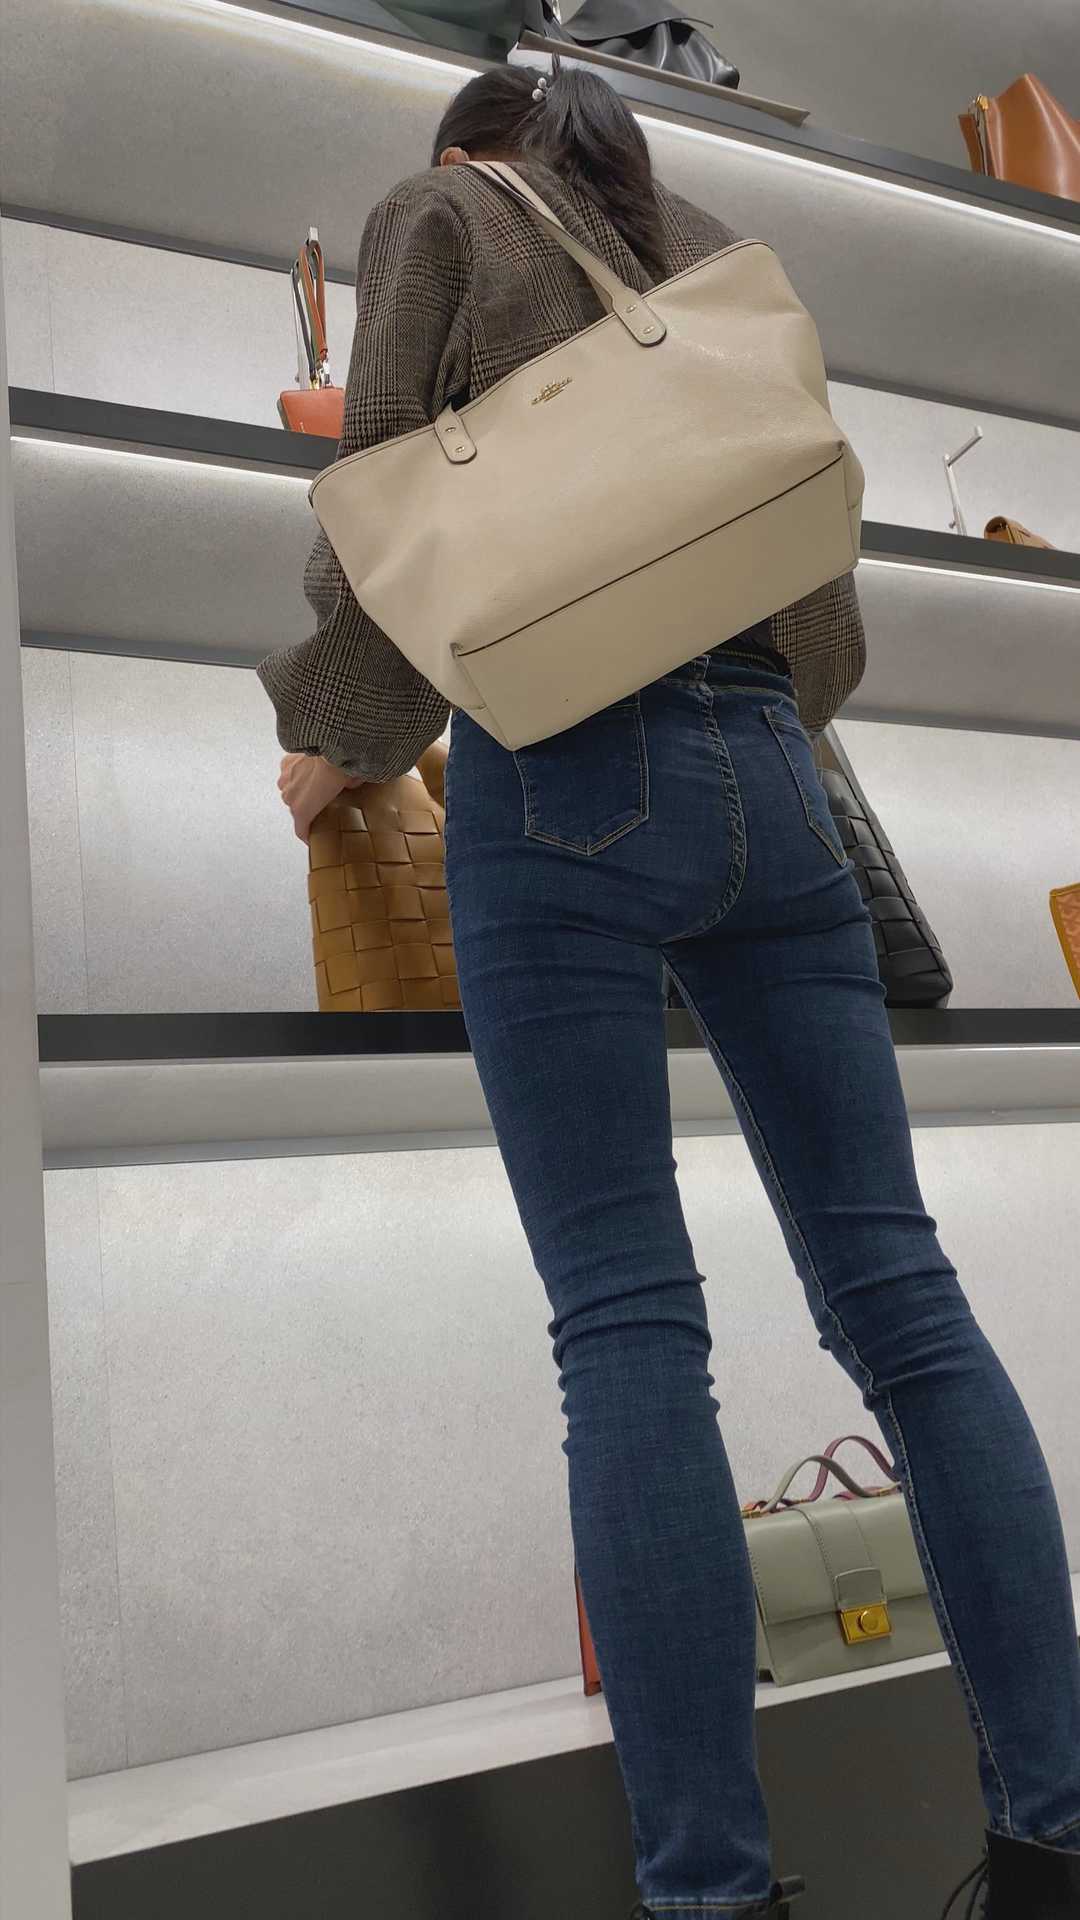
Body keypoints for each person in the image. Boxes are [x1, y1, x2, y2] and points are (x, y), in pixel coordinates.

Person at [259, 64, 1080, 1920]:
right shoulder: (710, 246)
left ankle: (717, 1894)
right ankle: (1056, 1834)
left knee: (628, 1327)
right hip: (781, 777)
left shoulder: (436, 212)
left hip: (556, 772)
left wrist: (338, 740)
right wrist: (743, 726)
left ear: (469, 145)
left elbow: (378, 523)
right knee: (908, 1300)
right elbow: (824, 598)